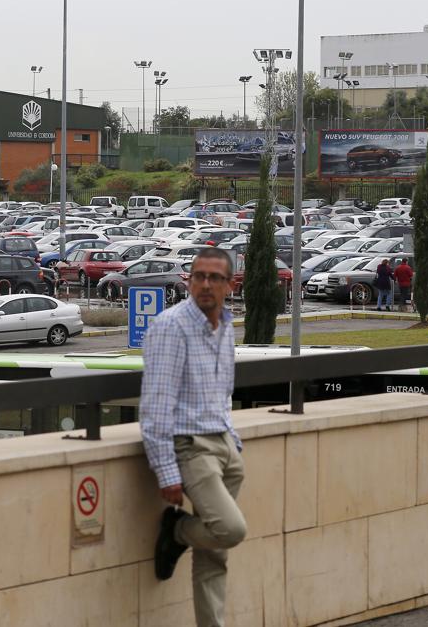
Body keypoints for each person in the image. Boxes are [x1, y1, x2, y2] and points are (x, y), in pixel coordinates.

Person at [142, 246, 246, 627]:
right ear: (189, 281)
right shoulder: (171, 326)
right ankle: (178, 530)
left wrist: (232, 439)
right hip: (191, 448)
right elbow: (155, 405)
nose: (205, 285)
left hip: (224, 445)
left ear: (229, 286)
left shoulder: (226, 327)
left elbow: (222, 390)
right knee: (229, 530)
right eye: (198, 276)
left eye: (214, 278)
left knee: (215, 554)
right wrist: (166, 471)